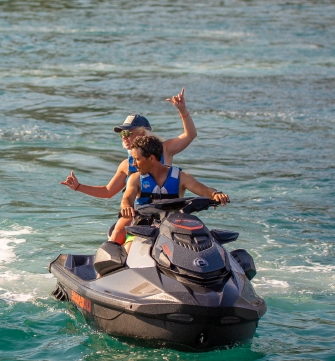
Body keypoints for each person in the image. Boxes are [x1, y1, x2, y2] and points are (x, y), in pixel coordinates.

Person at [60, 88, 197, 202]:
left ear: (143, 133)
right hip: (141, 215)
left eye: (128, 133)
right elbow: (108, 191)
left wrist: (182, 110)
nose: (124, 137)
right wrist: (78, 186)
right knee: (120, 226)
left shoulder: (165, 149)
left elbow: (190, 134)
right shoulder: (126, 165)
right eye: (122, 134)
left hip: (169, 213)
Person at [112, 135, 229, 246]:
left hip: (174, 229)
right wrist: (126, 207)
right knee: (129, 248)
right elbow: (127, 198)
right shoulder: (135, 178)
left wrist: (215, 194)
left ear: (151, 158)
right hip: (142, 229)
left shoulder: (181, 177)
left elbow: (205, 191)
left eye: (137, 159)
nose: (134, 164)